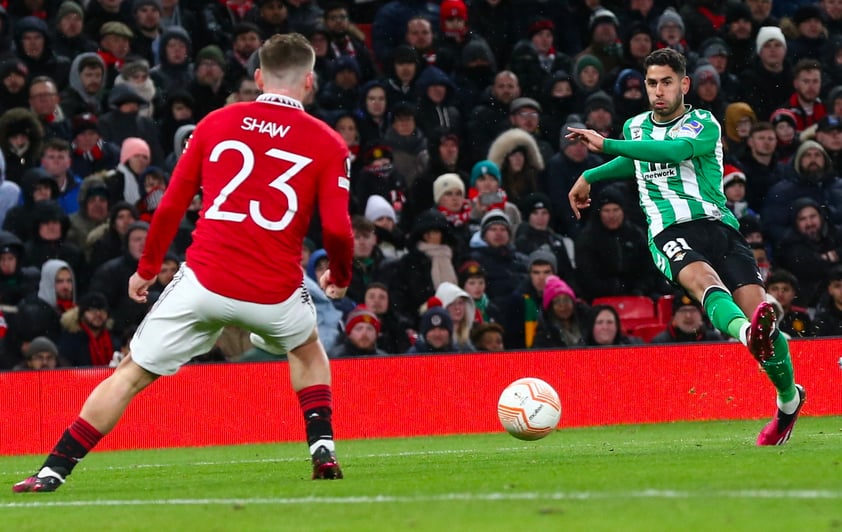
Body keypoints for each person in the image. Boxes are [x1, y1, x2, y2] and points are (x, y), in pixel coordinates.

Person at [13, 33, 354, 494]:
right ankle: (322, 446)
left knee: (131, 373)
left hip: (203, 283)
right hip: (273, 291)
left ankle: (53, 470)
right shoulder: (329, 142)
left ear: (257, 78)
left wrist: (148, 269)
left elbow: (172, 203)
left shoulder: (216, 122)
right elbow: (336, 229)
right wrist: (341, 274)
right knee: (308, 348)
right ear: (310, 81)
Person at [566, 48, 804, 446]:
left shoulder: (703, 123)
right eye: (652, 83)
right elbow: (637, 162)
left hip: (719, 227)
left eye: (666, 82)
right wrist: (591, 173)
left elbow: (673, 152)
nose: (658, 91)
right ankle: (747, 334)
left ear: (684, 85)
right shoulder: (636, 126)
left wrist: (605, 146)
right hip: (668, 229)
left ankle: (787, 399)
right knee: (703, 280)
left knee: (761, 310)